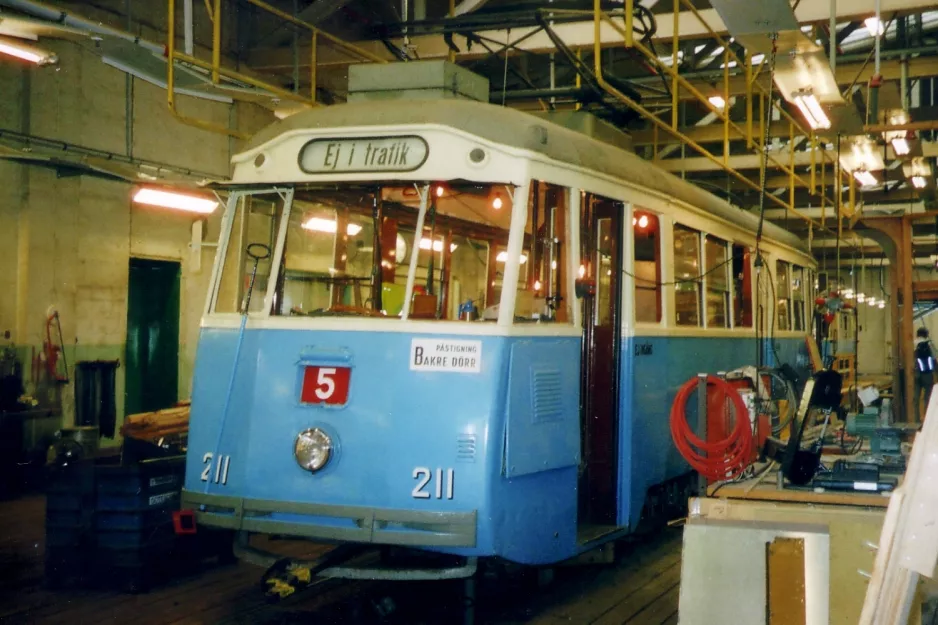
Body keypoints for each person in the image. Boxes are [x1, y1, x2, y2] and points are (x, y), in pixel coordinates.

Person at [914, 327, 936, 422]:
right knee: (927, 397)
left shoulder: (913, 343)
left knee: (915, 398)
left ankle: (915, 419)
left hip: (915, 373)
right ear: (926, 334)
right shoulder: (929, 344)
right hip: (927, 374)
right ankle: (927, 419)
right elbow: (935, 357)